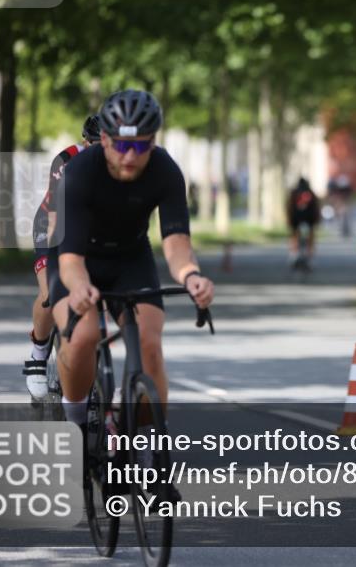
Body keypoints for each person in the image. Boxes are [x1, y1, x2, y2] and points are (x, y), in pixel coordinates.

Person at [48, 89, 214, 428]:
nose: (129, 156)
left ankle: (145, 449)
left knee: (150, 345)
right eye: (122, 145)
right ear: (105, 140)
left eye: (140, 146)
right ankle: (75, 422)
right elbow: (69, 260)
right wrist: (79, 288)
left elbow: (177, 242)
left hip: (130, 257)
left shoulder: (165, 171)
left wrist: (190, 275)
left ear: (153, 142)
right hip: (77, 259)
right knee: (83, 336)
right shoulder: (79, 173)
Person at [22, 115, 102, 400]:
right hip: (52, 226)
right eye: (97, 145)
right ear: (85, 142)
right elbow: (57, 218)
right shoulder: (67, 160)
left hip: (90, 230)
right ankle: (38, 354)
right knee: (50, 293)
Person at [287, 177, 320, 268]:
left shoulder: (294, 193)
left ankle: (293, 254)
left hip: (296, 218)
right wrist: (316, 220)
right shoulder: (311, 193)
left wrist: (289, 219)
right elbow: (316, 208)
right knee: (310, 236)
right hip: (309, 219)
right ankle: (309, 255)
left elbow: (289, 207)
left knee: (294, 235)